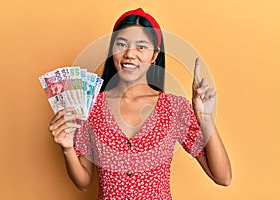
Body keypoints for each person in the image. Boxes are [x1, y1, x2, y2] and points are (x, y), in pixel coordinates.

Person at [49, 8, 231, 200]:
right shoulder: (92, 106)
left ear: (154, 56)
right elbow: (83, 182)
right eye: (121, 44)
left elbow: (223, 177)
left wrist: (205, 118)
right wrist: (68, 148)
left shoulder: (174, 108)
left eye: (141, 46)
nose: (129, 54)